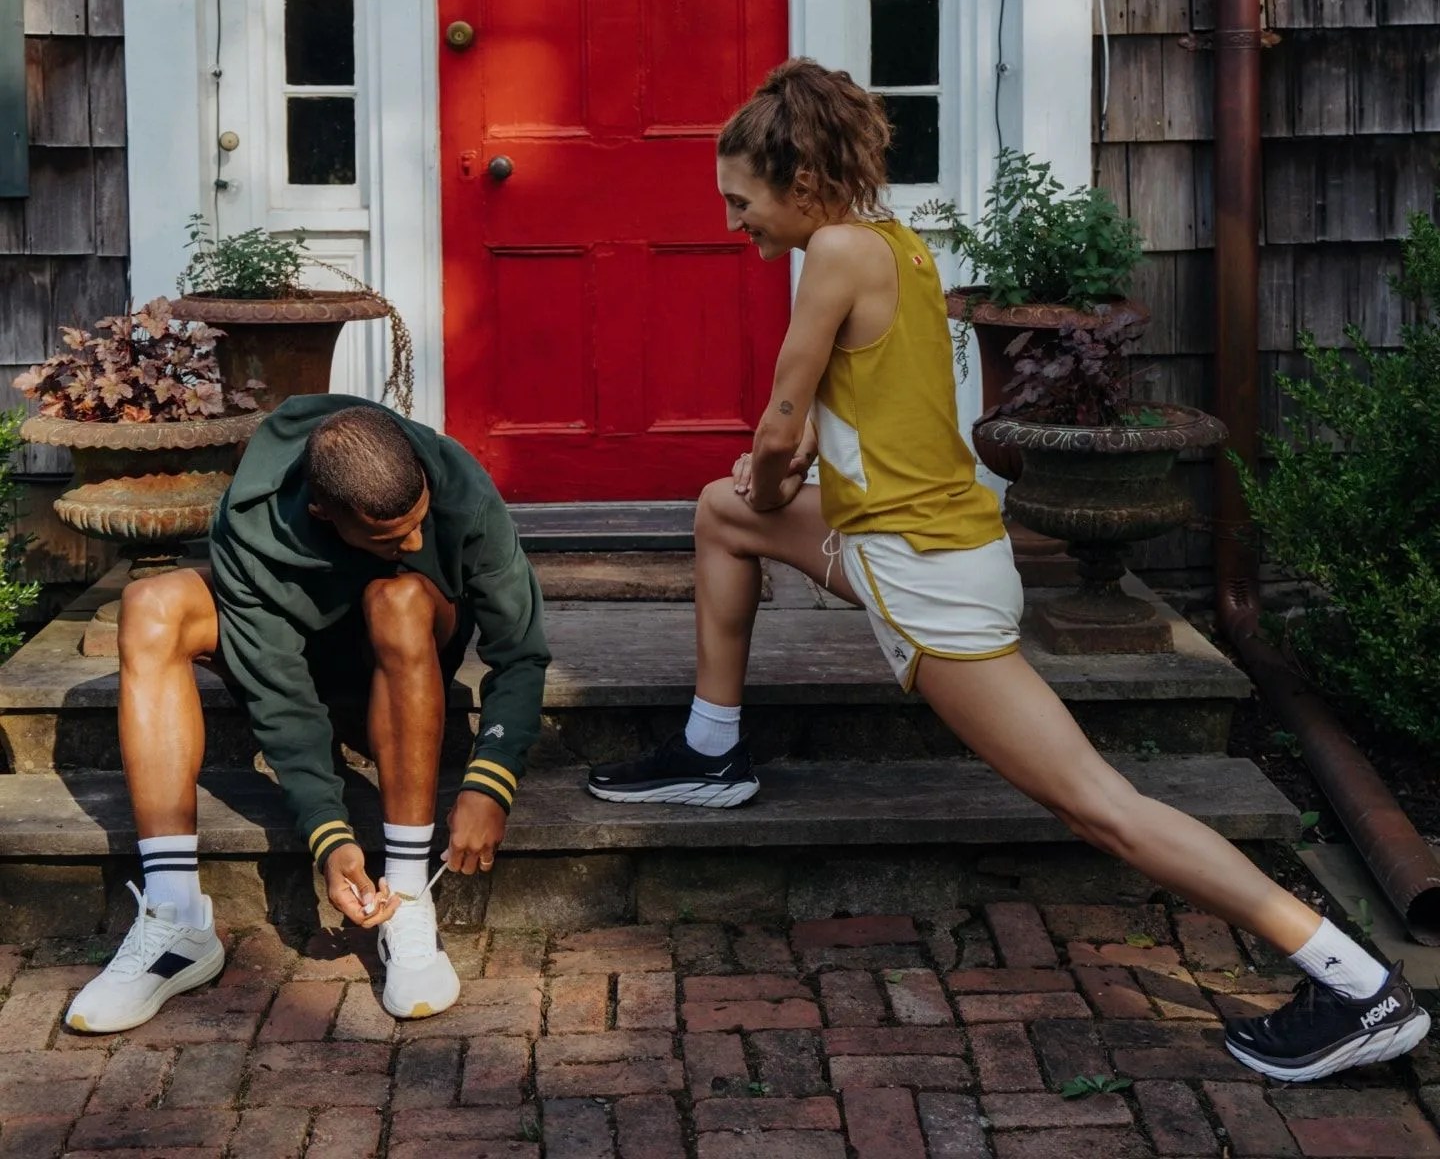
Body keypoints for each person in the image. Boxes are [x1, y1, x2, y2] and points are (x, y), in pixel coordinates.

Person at [588, 57, 1429, 1084]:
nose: (734, 222)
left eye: (740, 202)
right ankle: (711, 752)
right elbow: (856, 411)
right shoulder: (894, 244)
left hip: (928, 578)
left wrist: (774, 475)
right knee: (719, 516)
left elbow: (776, 422)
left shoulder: (834, 256)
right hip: (911, 543)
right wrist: (782, 477)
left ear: (800, 187)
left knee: (1097, 806)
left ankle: (1355, 985)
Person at [66, 396, 549, 1034]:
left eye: (418, 522)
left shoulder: (457, 483)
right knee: (150, 603)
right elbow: (279, 690)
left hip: (405, 653)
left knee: (399, 595)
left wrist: (492, 777)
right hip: (303, 658)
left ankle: (405, 897)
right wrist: (329, 832)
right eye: (388, 536)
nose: (414, 540)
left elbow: (521, 651)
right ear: (324, 514)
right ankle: (176, 918)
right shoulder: (252, 520)